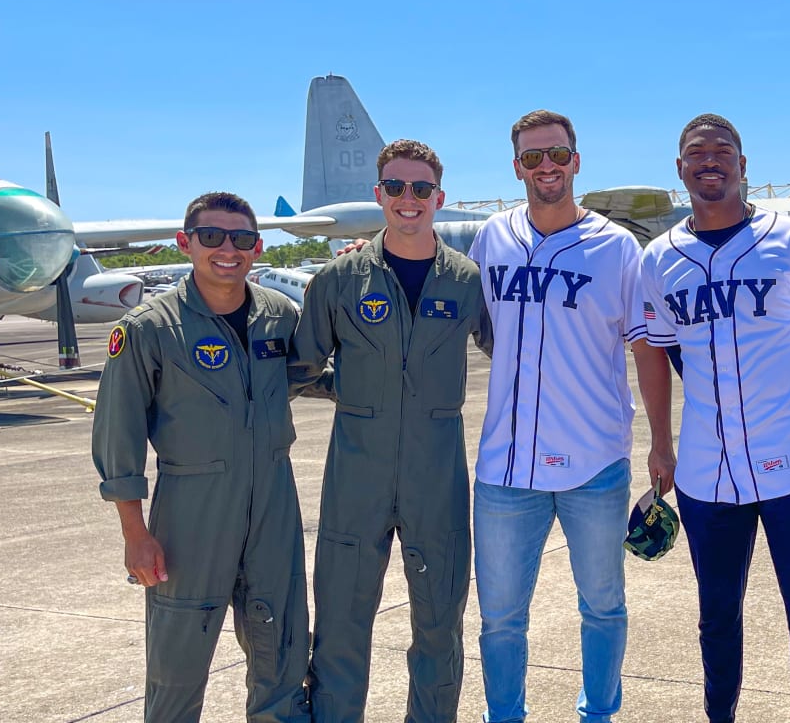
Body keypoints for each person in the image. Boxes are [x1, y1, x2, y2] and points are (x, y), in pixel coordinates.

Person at [468, 110, 675, 723]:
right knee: (501, 615)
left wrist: (661, 443)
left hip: (594, 462)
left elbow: (645, 347)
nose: (546, 167)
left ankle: (599, 714)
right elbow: (477, 324)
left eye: (556, 154)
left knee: (603, 606)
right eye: (532, 158)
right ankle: (504, 715)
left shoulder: (617, 248)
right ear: (516, 168)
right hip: (506, 467)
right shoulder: (492, 237)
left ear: (576, 161)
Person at [640, 114, 790, 723]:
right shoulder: (659, 259)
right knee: (716, 615)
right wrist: (660, 444)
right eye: (696, 152)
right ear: (680, 170)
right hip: (706, 468)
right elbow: (665, 349)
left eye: (722, 150)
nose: (710, 160)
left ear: (743, 164)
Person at [92, 191, 309, 722]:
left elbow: (308, 376)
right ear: (185, 243)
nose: (227, 250)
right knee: (178, 657)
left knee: (280, 646)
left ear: (258, 248)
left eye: (241, 239)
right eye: (211, 237)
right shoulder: (148, 328)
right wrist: (134, 534)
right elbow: (117, 434)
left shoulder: (279, 316)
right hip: (191, 510)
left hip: (274, 504)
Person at [289, 139, 486, 722]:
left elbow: (515, 348)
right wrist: (346, 390)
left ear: (439, 199)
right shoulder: (338, 279)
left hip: (437, 476)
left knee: (440, 623)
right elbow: (300, 367)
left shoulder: (467, 280)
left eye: (420, 189)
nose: (408, 199)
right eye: (396, 187)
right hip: (356, 476)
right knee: (342, 623)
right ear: (379, 195)